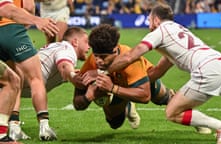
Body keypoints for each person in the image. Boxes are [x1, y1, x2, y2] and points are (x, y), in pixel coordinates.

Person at [107, 2, 221, 144]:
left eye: (149, 20)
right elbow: (157, 72)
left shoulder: (160, 32)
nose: (148, 24)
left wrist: (103, 71)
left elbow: (129, 56)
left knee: (172, 112)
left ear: (156, 19)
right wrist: (131, 88)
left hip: (208, 69)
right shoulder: (178, 31)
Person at [72, 24, 181, 130]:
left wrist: (112, 88)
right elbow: (77, 104)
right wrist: (88, 97)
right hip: (116, 89)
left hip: (141, 81)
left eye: (104, 57)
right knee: (115, 123)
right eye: (96, 56)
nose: (98, 61)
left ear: (115, 50)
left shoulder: (131, 59)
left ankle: (195, 118)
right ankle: (127, 104)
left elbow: (145, 96)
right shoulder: (91, 62)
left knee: (165, 99)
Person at [8, 27, 90, 140]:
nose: (89, 47)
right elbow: (64, 65)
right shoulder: (67, 49)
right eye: (86, 42)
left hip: (15, 78)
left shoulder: (56, 46)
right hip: (25, 78)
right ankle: (43, 128)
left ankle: (14, 127)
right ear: (75, 42)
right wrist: (72, 75)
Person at [0, 0, 61, 141]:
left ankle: (14, 126)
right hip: (12, 29)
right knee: (36, 78)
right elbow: (27, 6)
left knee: (13, 80)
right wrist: (36, 20)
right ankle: (44, 126)